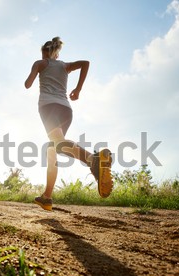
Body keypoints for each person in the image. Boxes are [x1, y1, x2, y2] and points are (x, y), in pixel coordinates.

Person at [25, 36, 113, 211]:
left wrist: (36, 70)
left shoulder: (40, 63)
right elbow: (85, 63)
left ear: (46, 54)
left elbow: (28, 84)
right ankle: (47, 197)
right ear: (57, 54)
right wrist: (78, 89)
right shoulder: (64, 66)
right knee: (53, 148)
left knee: (57, 144)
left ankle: (93, 159)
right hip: (66, 109)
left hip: (48, 107)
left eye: (44, 55)